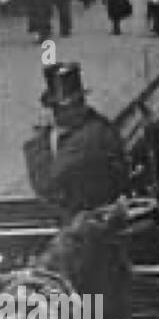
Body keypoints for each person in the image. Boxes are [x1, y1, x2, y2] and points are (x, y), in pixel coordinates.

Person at [23, 63, 131, 221]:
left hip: (89, 226)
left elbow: (45, 184)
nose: (55, 116)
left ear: (68, 109)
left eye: (56, 110)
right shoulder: (100, 126)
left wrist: (41, 142)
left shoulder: (85, 140)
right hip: (102, 216)